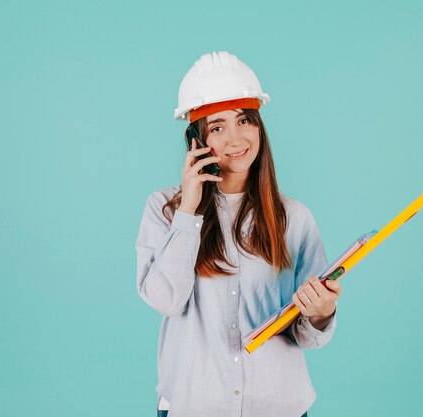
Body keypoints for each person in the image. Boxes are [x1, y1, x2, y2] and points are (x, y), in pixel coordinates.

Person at [136, 51, 341, 417]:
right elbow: (166, 300)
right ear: (197, 141)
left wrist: (322, 312)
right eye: (217, 127)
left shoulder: (294, 218)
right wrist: (189, 212)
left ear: (259, 126)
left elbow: (308, 336)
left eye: (244, 120)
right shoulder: (164, 209)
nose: (235, 138)